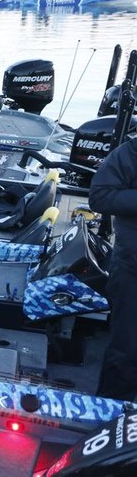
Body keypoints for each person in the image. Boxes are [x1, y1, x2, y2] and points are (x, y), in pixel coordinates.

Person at [88, 136, 137, 402]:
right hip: (132, 268)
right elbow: (99, 196)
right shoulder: (130, 152)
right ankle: (108, 416)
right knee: (127, 349)